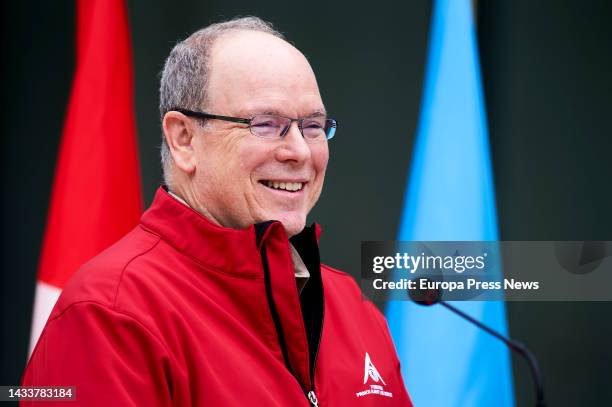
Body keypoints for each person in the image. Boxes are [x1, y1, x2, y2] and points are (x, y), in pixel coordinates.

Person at [22, 17, 412, 406]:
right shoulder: (109, 312)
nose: (300, 151)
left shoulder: (351, 306)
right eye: (265, 124)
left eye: (312, 125)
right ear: (184, 139)